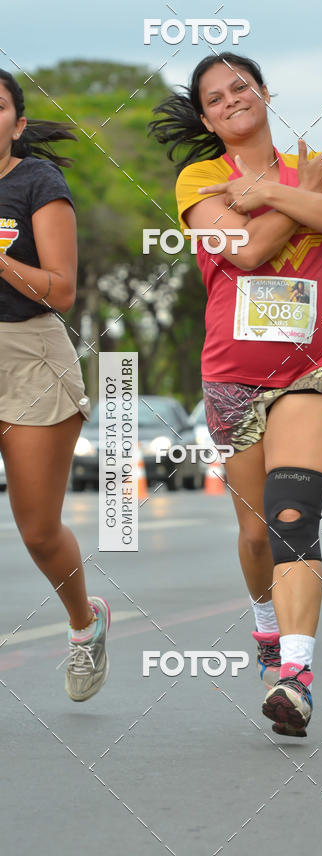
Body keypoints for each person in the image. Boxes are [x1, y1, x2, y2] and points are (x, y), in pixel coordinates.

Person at [150, 53, 322, 736]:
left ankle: (297, 678)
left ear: (264, 93)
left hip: (321, 365)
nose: (231, 101)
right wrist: (296, 197)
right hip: (234, 373)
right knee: (254, 533)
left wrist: (279, 192)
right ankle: (264, 625)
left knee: (291, 514)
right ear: (205, 117)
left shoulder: (318, 165)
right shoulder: (200, 179)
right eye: (215, 98)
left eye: (240, 88)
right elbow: (244, 252)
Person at [0, 70, 110, 700]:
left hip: (28, 355)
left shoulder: (37, 183)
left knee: (38, 529)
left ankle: (84, 623)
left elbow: (62, 291)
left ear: (17, 124)